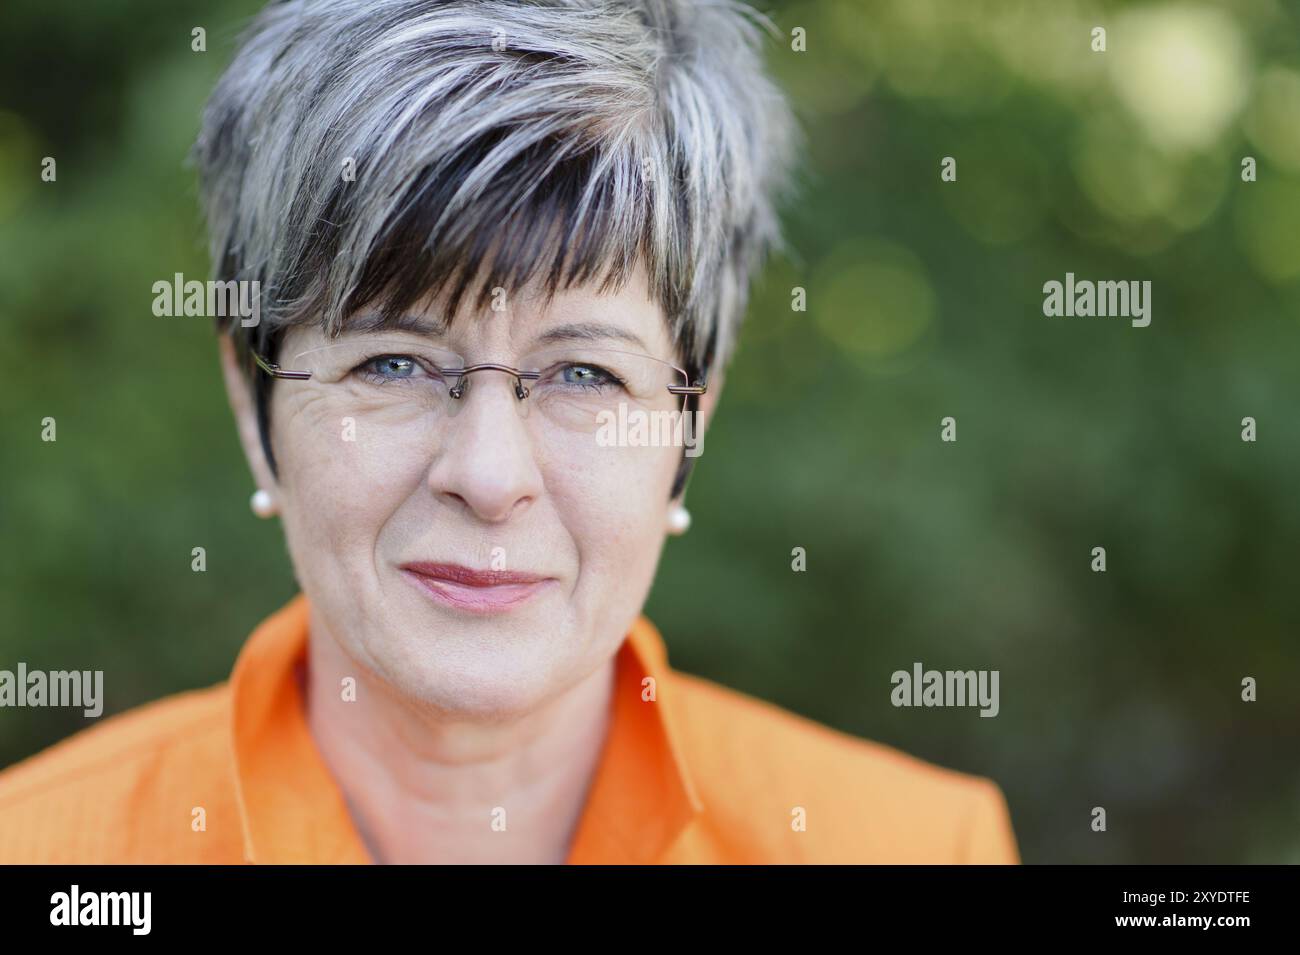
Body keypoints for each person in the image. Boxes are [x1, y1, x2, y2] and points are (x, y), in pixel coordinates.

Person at [0, 0, 1019, 864]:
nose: (488, 475)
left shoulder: (921, 846)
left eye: (583, 372)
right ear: (250, 400)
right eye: (391, 362)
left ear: (687, 424)